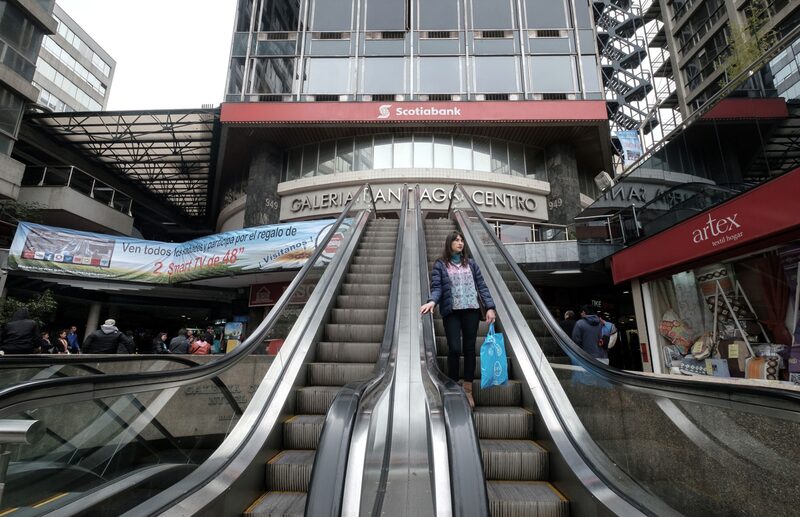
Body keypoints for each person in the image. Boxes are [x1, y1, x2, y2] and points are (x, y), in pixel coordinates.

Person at [420, 230, 496, 408]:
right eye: (456, 240)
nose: (460, 243)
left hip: (471, 309)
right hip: (451, 311)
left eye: (461, 240)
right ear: (449, 244)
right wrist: (432, 301)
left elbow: (482, 286)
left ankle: (468, 389)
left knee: (469, 349)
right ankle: (453, 385)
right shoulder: (440, 265)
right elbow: (437, 287)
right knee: (454, 348)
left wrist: (490, 307)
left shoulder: (471, 264)